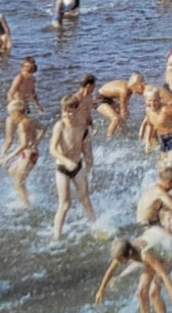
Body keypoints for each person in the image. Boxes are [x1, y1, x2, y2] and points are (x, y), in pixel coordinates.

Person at [94, 227, 172, 313]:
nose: (119, 262)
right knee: (141, 291)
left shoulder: (145, 254)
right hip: (155, 244)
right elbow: (111, 269)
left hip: (168, 252)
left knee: (153, 291)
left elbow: (164, 275)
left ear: (129, 253)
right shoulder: (123, 249)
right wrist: (101, 290)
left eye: (120, 260)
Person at [50, 94, 97, 239]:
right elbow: (52, 149)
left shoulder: (82, 124)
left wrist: (89, 163)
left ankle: (95, 229)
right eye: (65, 111)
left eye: (71, 111)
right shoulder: (60, 125)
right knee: (64, 204)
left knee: (86, 200)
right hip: (62, 168)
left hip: (78, 166)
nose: (68, 114)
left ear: (77, 109)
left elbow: (86, 146)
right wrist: (65, 161)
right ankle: (56, 235)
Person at [0, 100, 46, 206]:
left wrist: (8, 156)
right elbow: (43, 128)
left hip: (28, 155)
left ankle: (26, 205)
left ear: (17, 113)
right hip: (31, 153)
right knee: (12, 171)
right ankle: (27, 196)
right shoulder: (32, 120)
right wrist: (36, 141)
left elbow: (23, 144)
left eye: (11, 114)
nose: (11, 117)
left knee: (18, 183)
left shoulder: (22, 125)